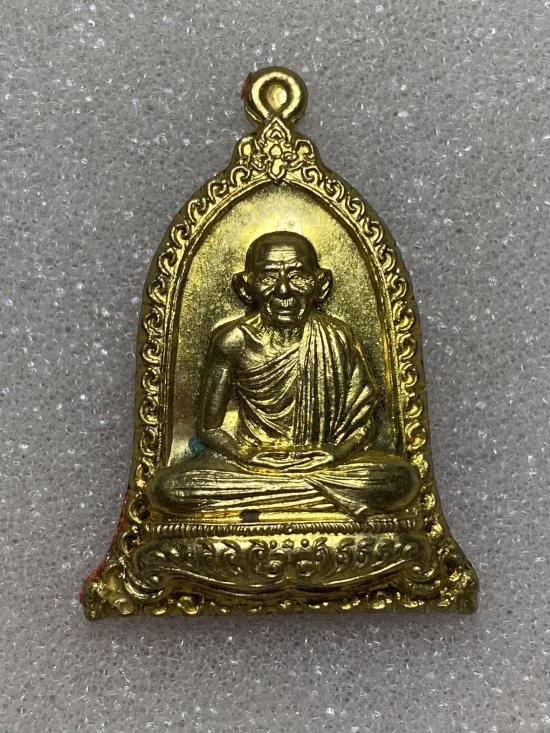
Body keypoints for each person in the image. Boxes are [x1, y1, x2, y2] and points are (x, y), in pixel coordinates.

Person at [147, 231, 418, 520]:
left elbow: (365, 424)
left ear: (321, 284)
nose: (284, 290)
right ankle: (316, 497)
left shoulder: (338, 337)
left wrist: (334, 454)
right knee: (167, 488)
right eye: (268, 277)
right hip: (250, 466)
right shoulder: (233, 341)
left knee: (401, 479)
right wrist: (247, 456)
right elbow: (209, 428)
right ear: (246, 287)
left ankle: (267, 503)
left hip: (326, 464)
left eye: (298, 275)